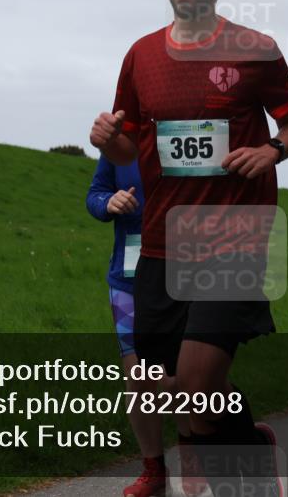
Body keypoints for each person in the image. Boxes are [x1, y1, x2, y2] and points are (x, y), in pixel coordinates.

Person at [90, 0, 288, 496]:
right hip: (163, 241)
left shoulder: (255, 50)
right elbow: (127, 145)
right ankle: (252, 446)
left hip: (233, 236)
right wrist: (104, 137)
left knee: (193, 388)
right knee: (176, 395)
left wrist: (272, 150)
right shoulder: (140, 56)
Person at [86, 156, 207, 497]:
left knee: (180, 377)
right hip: (128, 280)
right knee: (139, 378)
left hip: (184, 277)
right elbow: (95, 194)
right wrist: (107, 203)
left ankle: (192, 455)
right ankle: (153, 469)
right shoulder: (119, 147)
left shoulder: (186, 135)